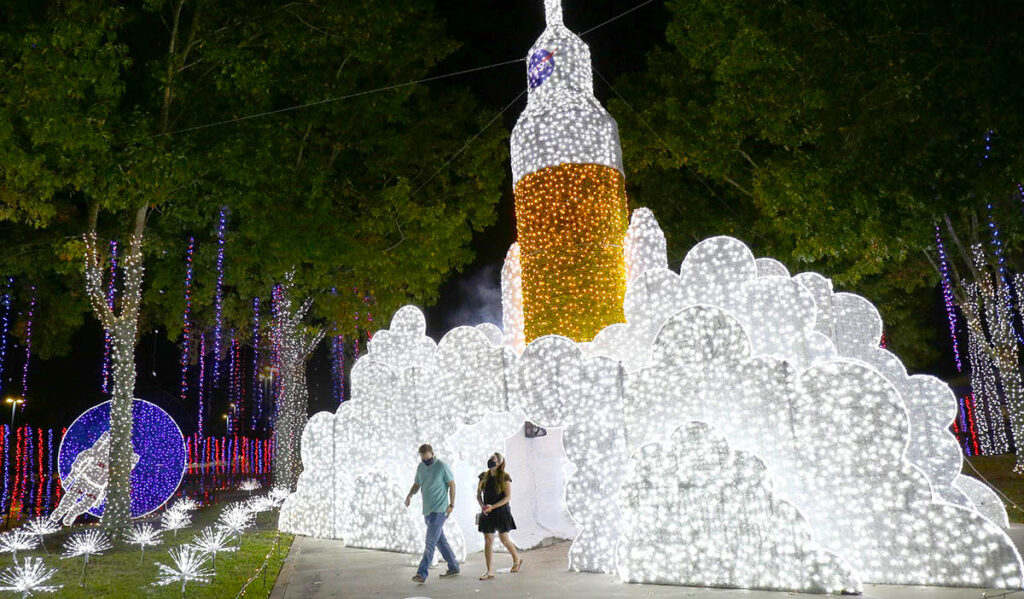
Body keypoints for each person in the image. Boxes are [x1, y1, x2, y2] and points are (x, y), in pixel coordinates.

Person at [405, 443, 459, 584]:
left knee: (430, 543)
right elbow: (417, 484)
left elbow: (452, 484)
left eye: (426, 457)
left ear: (432, 454)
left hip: (440, 510)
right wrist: (410, 495)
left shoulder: (442, 466)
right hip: (427, 511)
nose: (424, 460)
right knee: (441, 541)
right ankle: (454, 567)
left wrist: (451, 504)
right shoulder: (421, 467)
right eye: (422, 458)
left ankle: (421, 573)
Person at [477, 452, 522, 580]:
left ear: (499, 462)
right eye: (490, 458)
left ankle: (516, 559)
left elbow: (508, 497)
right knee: (488, 539)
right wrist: (482, 506)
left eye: (493, 459)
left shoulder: (505, 477)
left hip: (501, 511)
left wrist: (493, 507)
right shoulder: (483, 476)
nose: (490, 460)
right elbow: (478, 494)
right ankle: (489, 571)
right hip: (487, 512)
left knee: (504, 538)